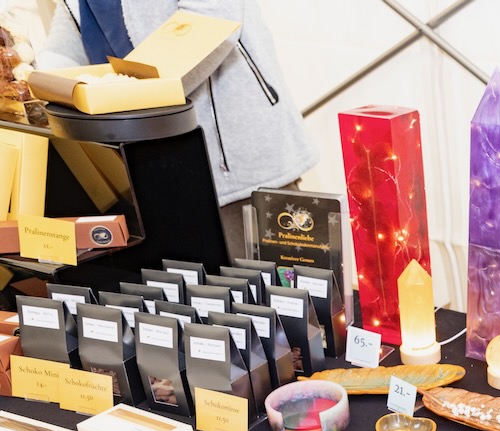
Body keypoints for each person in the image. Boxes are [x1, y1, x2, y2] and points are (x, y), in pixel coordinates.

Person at [35, 0, 318, 260]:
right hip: (145, 159)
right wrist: (38, 81)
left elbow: (211, 20)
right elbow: (72, 27)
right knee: (186, 291)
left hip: (234, 158)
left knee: (283, 290)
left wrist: (127, 94)